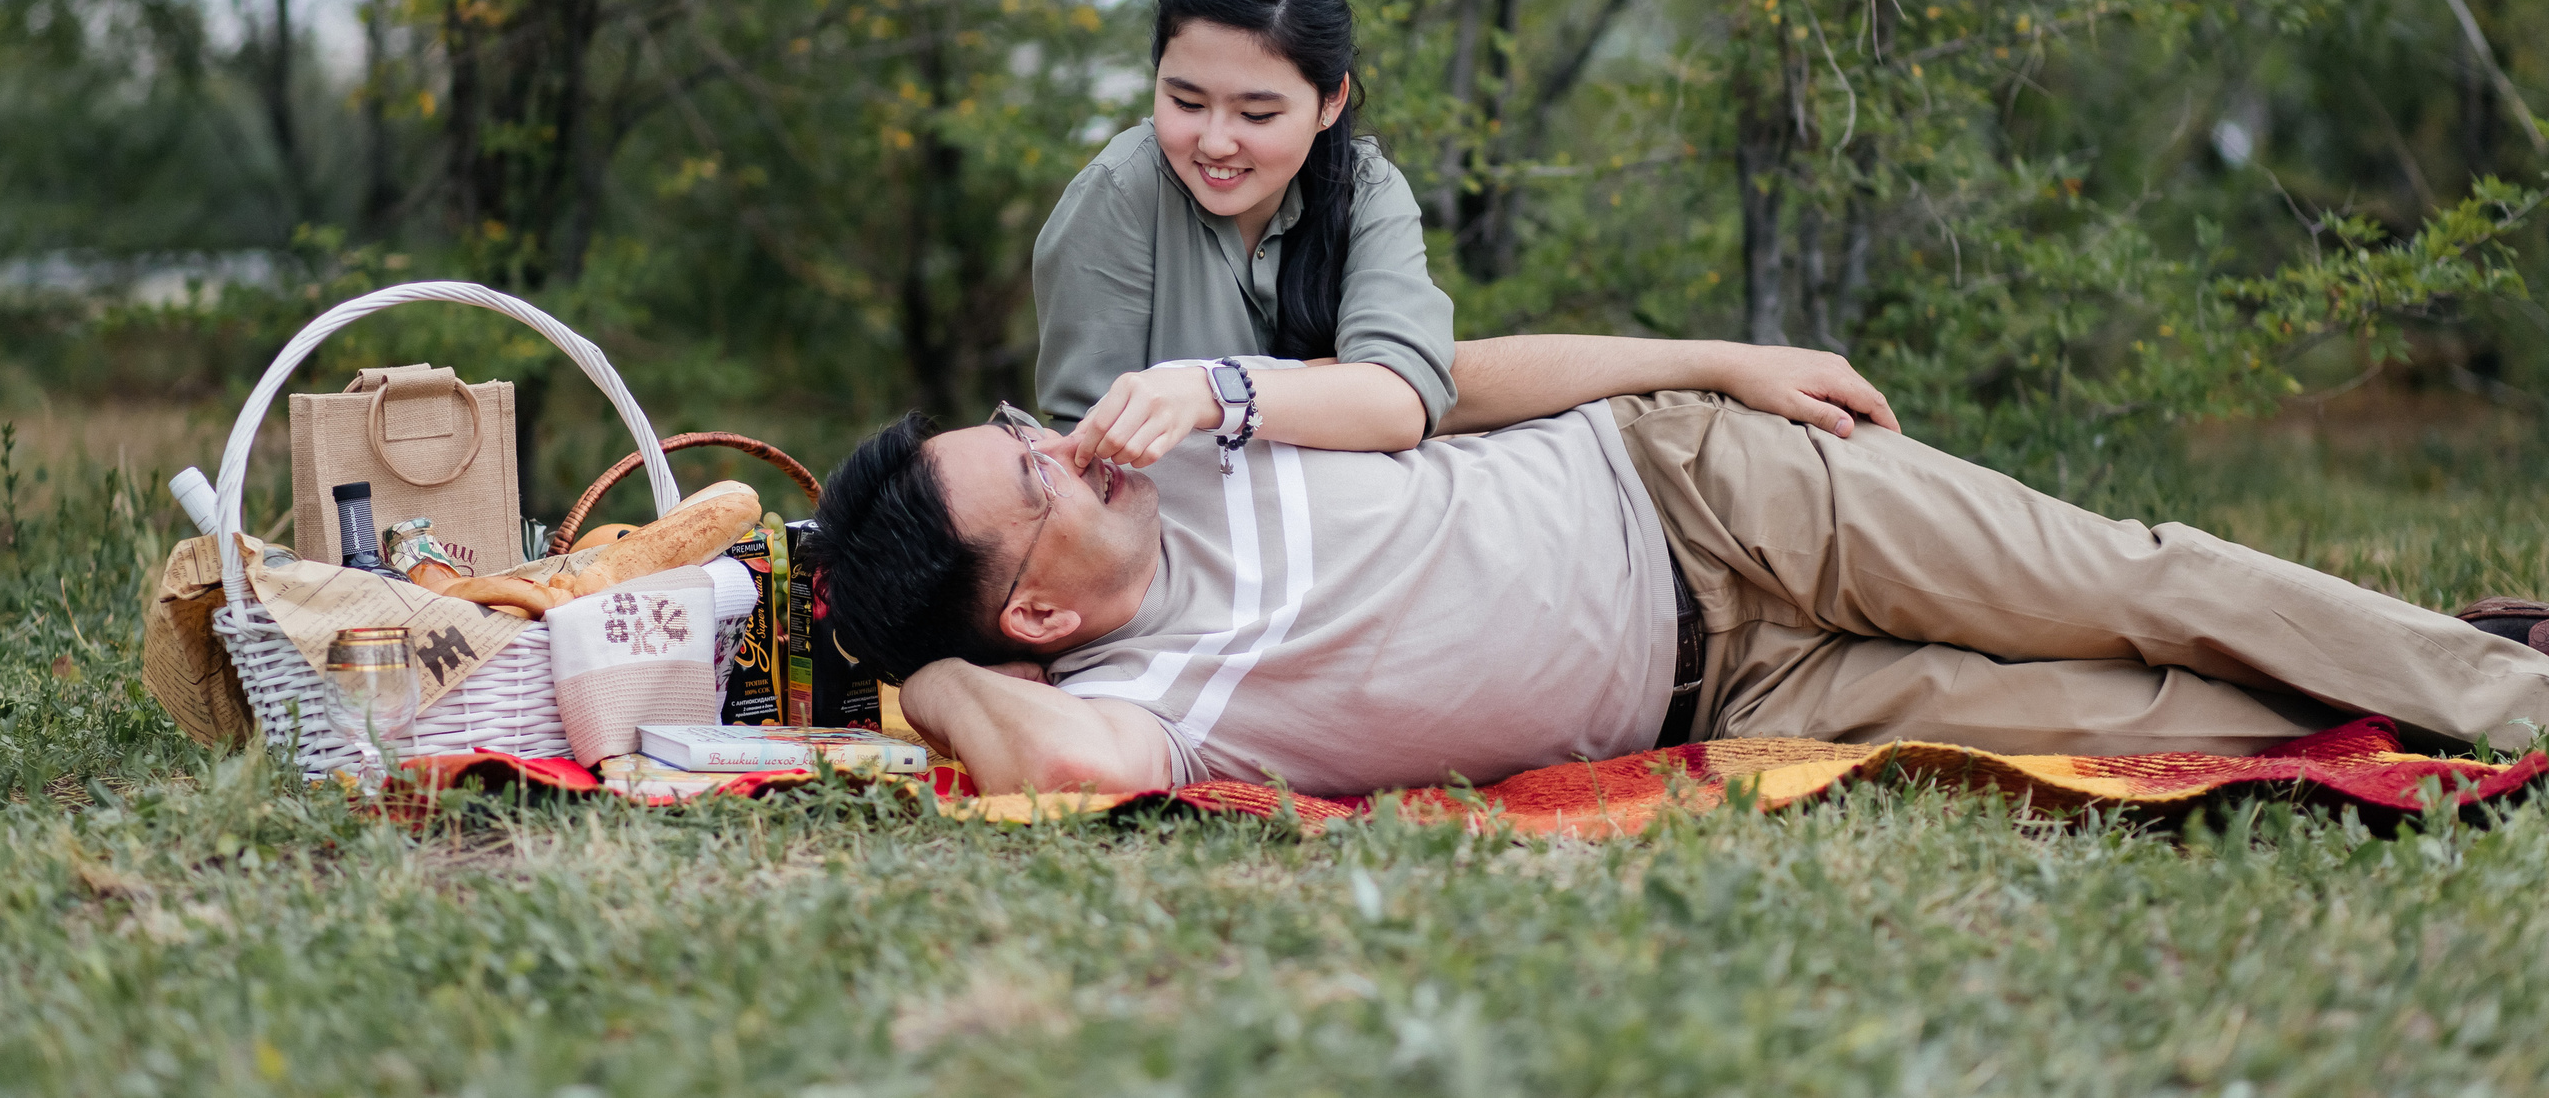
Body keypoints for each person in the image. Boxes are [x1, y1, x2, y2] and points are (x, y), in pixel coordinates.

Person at [799, 333, 2549, 799]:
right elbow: (1038, 753)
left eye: (1026, 418)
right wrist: (925, 672)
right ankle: (2416, 657)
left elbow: (1454, 385)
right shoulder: (1144, 700)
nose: (1064, 439)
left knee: (2131, 575)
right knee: (2142, 711)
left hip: (1705, 489)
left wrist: (1714, 364)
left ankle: (2516, 690)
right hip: (1743, 687)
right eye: (1029, 469)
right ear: (1035, 608)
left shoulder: (1197, 419)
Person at [1030, 0, 1456, 465]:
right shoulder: (1119, 193)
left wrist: (1210, 393)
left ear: (1331, 101)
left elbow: (1396, 402)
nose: (1214, 142)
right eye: (1186, 102)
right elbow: (1090, 451)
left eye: (1257, 115)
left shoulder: (1366, 187)